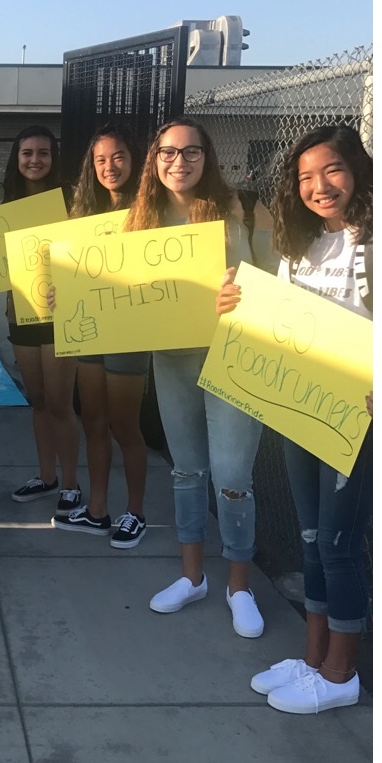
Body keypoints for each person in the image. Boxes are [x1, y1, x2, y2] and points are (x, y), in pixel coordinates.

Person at [239, 122, 373, 714]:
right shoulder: (299, 246)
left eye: (332, 171)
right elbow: (278, 319)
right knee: (312, 539)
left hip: (355, 418)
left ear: (358, 171)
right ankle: (314, 657)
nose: (320, 187)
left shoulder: (379, 243)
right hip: (301, 409)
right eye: (305, 177)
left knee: (341, 546)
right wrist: (234, 301)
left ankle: (342, 673)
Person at [132, 118, 264, 637]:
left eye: (191, 151)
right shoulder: (138, 222)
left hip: (234, 357)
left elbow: (278, 280)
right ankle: (192, 577)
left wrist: (243, 293)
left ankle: (239, 586)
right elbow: (105, 287)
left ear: (207, 157)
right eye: (168, 152)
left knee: (232, 476)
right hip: (172, 358)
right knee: (186, 470)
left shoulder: (241, 209)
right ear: (154, 159)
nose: (179, 161)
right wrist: (64, 297)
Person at [0, 126, 82, 518]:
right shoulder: (6, 200)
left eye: (43, 152)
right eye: (27, 153)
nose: (35, 160)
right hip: (20, 309)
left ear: (53, 157)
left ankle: (71, 483)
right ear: (16, 158)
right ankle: (46, 476)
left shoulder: (71, 198)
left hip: (60, 311)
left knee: (59, 403)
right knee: (37, 400)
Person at [54, 124, 147, 546]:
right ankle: (97, 510)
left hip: (128, 329)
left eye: (119, 157)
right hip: (88, 327)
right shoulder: (83, 216)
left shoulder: (150, 211)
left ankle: (136, 512)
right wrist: (58, 290)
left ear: (135, 160)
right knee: (92, 419)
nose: (110, 167)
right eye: (101, 160)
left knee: (124, 424)